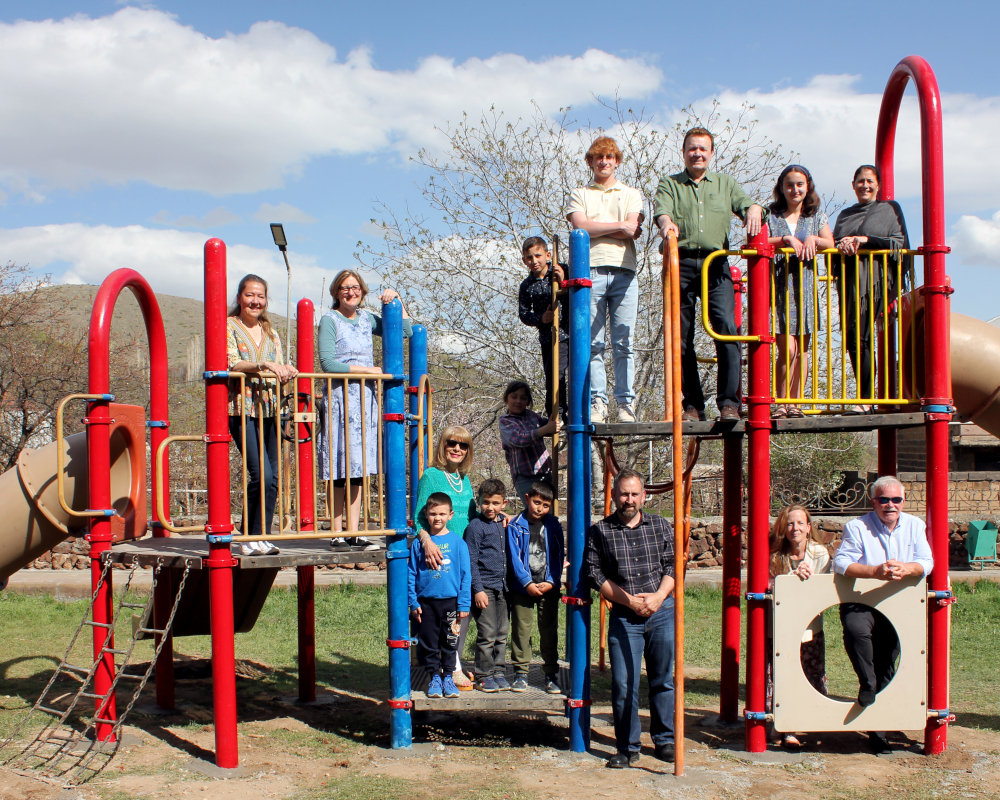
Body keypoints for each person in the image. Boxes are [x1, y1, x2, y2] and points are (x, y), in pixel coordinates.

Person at [653, 127, 765, 422]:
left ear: (711, 153)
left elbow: (746, 204)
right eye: (692, 148)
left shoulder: (725, 184)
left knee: (727, 326)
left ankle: (729, 403)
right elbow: (662, 212)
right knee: (681, 336)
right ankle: (693, 405)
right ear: (684, 152)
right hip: (683, 262)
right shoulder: (671, 184)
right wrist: (667, 226)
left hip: (717, 264)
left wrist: (753, 207)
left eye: (703, 149)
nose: (697, 153)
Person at [832, 475, 933, 754]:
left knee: (888, 660)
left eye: (896, 499)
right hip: (862, 600)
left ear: (903, 501)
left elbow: (926, 562)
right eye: (883, 500)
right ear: (873, 501)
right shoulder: (856, 526)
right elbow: (841, 561)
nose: (890, 505)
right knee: (856, 630)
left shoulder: (915, 525)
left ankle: (878, 732)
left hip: (898, 602)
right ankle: (868, 681)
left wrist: (906, 568)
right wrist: (874, 571)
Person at [586, 468, 675, 768]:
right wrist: (629, 601)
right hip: (625, 616)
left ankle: (664, 741)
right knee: (624, 683)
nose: (629, 499)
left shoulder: (660, 525)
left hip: (661, 612)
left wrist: (659, 597)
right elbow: (594, 574)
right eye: (624, 493)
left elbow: (672, 566)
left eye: (634, 493)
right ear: (613, 496)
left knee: (662, 680)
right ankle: (627, 747)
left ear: (644, 496)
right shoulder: (600, 530)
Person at [317, 269, 411, 549]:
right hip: (340, 398)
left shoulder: (367, 319)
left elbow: (403, 330)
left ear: (362, 291)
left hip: (365, 399)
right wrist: (367, 369)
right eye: (345, 288)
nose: (350, 292)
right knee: (339, 465)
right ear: (336, 292)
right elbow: (328, 364)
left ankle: (354, 531)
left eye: (355, 287)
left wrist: (398, 299)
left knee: (357, 465)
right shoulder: (329, 320)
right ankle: (335, 532)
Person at [566, 136, 644, 424]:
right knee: (594, 343)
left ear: (617, 161)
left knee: (624, 341)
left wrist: (610, 228)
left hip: (625, 271)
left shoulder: (631, 193)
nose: (604, 162)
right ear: (590, 161)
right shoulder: (580, 193)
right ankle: (598, 403)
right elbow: (581, 227)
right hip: (590, 272)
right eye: (598, 157)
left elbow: (632, 228)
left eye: (609, 157)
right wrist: (619, 225)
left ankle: (625, 404)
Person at [226, 274, 298, 556]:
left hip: (271, 409)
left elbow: (278, 366)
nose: (255, 301)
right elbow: (231, 363)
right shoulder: (229, 327)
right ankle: (247, 536)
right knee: (261, 474)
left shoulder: (271, 332)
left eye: (260, 296)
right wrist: (263, 364)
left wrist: (285, 371)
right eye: (250, 295)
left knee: (275, 477)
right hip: (243, 410)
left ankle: (262, 536)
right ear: (240, 297)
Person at [832, 165, 910, 413]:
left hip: (876, 283)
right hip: (851, 283)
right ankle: (867, 397)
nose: (865, 185)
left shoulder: (890, 209)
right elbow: (834, 245)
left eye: (870, 181)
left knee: (862, 337)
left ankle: (866, 399)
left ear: (878, 185)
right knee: (853, 340)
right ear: (853, 184)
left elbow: (898, 243)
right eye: (860, 181)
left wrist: (865, 240)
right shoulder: (845, 214)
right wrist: (841, 244)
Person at [766, 166, 835, 419]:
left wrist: (814, 240)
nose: (795, 189)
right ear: (781, 188)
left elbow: (830, 243)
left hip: (805, 289)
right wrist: (786, 239)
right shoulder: (771, 215)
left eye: (800, 184)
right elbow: (759, 241)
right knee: (788, 349)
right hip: (779, 288)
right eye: (789, 185)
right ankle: (781, 402)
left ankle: (796, 403)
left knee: (803, 349)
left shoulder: (815, 216)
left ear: (808, 187)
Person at [414, 426, 478, 689]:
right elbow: (419, 515)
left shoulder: (466, 480)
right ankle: (449, 669)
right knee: (440, 614)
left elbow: (474, 517)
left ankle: (453, 662)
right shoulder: (431, 476)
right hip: (439, 553)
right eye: (452, 443)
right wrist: (427, 541)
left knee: (464, 610)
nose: (457, 449)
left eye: (463, 445)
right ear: (442, 445)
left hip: (463, 552)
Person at [767, 504, 831, 749]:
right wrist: (788, 582)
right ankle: (783, 725)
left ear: (808, 527)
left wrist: (809, 581)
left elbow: (824, 591)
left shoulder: (819, 554)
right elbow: (768, 587)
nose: (795, 529)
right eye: (790, 524)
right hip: (779, 629)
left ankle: (802, 723)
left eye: (800, 523)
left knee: (807, 673)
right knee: (781, 675)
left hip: (809, 628)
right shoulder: (774, 556)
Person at [407, 492, 471, 699]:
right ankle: (434, 677)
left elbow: (465, 575)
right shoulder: (419, 544)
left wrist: (463, 604)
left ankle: (448, 677)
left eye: (442, 514)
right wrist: (413, 601)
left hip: (451, 603)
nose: (437, 518)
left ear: (450, 515)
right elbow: (411, 573)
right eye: (433, 513)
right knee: (430, 642)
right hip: (426, 604)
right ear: (426, 514)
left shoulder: (458, 543)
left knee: (450, 642)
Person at [507, 480, 564, 694]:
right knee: (521, 630)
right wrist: (527, 583)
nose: (540, 508)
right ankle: (521, 673)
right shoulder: (515, 525)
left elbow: (558, 556)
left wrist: (551, 581)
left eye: (546, 505)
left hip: (548, 587)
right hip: (523, 588)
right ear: (527, 499)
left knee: (548, 630)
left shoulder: (553, 525)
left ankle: (550, 672)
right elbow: (514, 558)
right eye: (537, 502)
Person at [464, 478, 511, 692]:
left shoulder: (505, 524)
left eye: (495, 503)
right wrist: (478, 589)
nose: (490, 507)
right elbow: (471, 560)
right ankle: (483, 674)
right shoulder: (475, 527)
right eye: (485, 502)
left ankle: (498, 670)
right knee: (488, 633)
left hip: (504, 587)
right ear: (478, 501)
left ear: (504, 503)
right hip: (486, 588)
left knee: (502, 632)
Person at [518, 236, 569, 421]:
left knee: (564, 372)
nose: (534, 261)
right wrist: (541, 318)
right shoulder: (526, 286)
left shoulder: (562, 270)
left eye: (538, 256)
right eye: (529, 258)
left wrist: (563, 281)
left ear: (547, 255)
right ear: (524, 260)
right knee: (552, 374)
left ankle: (567, 412)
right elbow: (524, 314)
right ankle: (556, 413)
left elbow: (579, 294)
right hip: (548, 337)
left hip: (568, 333)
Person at [498, 381, 558, 504]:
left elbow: (549, 426)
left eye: (523, 398)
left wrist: (556, 422)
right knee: (534, 513)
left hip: (545, 473)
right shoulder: (505, 421)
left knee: (550, 512)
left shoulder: (531, 415)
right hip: (525, 477)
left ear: (528, 402)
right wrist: (546, 429)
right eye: (514, 397)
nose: (518, 401)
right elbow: (519, 439)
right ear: (506, 399)